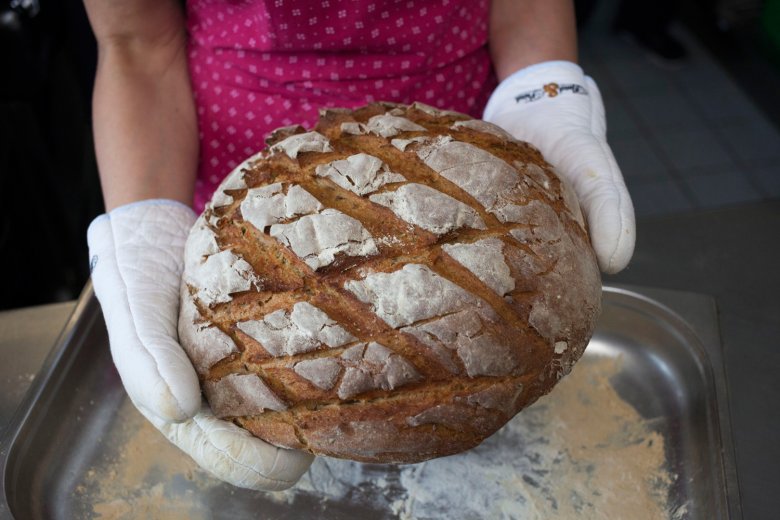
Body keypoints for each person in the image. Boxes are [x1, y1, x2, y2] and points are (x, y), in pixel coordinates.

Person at [83, 0, 635, 491]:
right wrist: (145, 228)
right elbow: (137, 41)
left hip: (463, 161)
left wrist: (539, 93)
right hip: (248, 211)